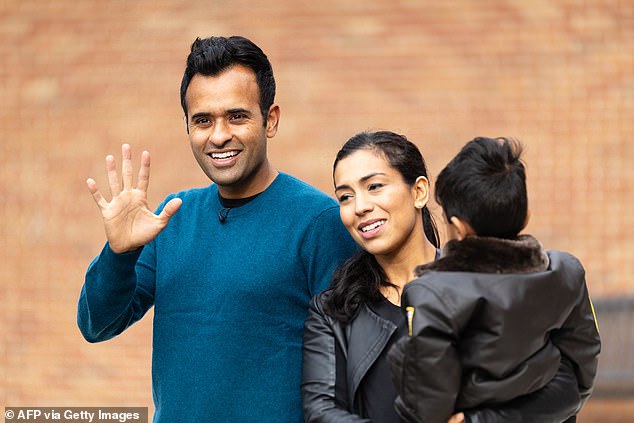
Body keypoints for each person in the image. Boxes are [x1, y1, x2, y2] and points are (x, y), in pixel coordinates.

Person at [77, 36, 358, 423]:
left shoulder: (319, 222)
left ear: (270, 119)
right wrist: (119, 254)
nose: (219, 135)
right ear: (188, 126)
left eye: (237, 116)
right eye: (203, 120)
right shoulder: (172, 218)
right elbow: (96, 325)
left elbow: (352, 367)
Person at [302, 130, 589, 423]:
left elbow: (563, 387)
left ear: (419, 192)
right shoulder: (332, 311)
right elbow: (321, 411)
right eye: (345, 197)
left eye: (374, 186)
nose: (359, 206)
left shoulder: (490, 285)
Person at [388, 137, 601, 423]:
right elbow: (582, 369)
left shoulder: (431, 294)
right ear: (526, 216)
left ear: (458, 227)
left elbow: (431, 406)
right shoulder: (566, 271)